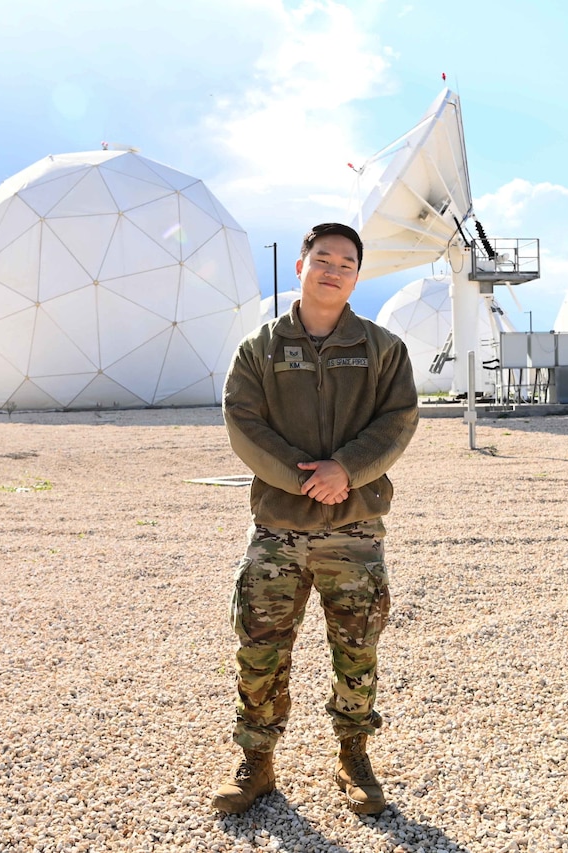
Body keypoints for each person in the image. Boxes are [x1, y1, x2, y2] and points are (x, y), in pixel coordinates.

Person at [213, 223, 419, 816]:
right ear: (301, 266)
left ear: (357, 275)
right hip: (279, 527)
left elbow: (398, 421)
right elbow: (243, 423)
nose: (333, 269)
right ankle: (257, 761)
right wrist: (308, 478)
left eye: (346, 262)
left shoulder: (383, 349)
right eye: (322, 258)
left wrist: (346, 471)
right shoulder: (262, 349)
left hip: (353, 529)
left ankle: (353, 754)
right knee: (260, 647)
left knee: (356, 647)